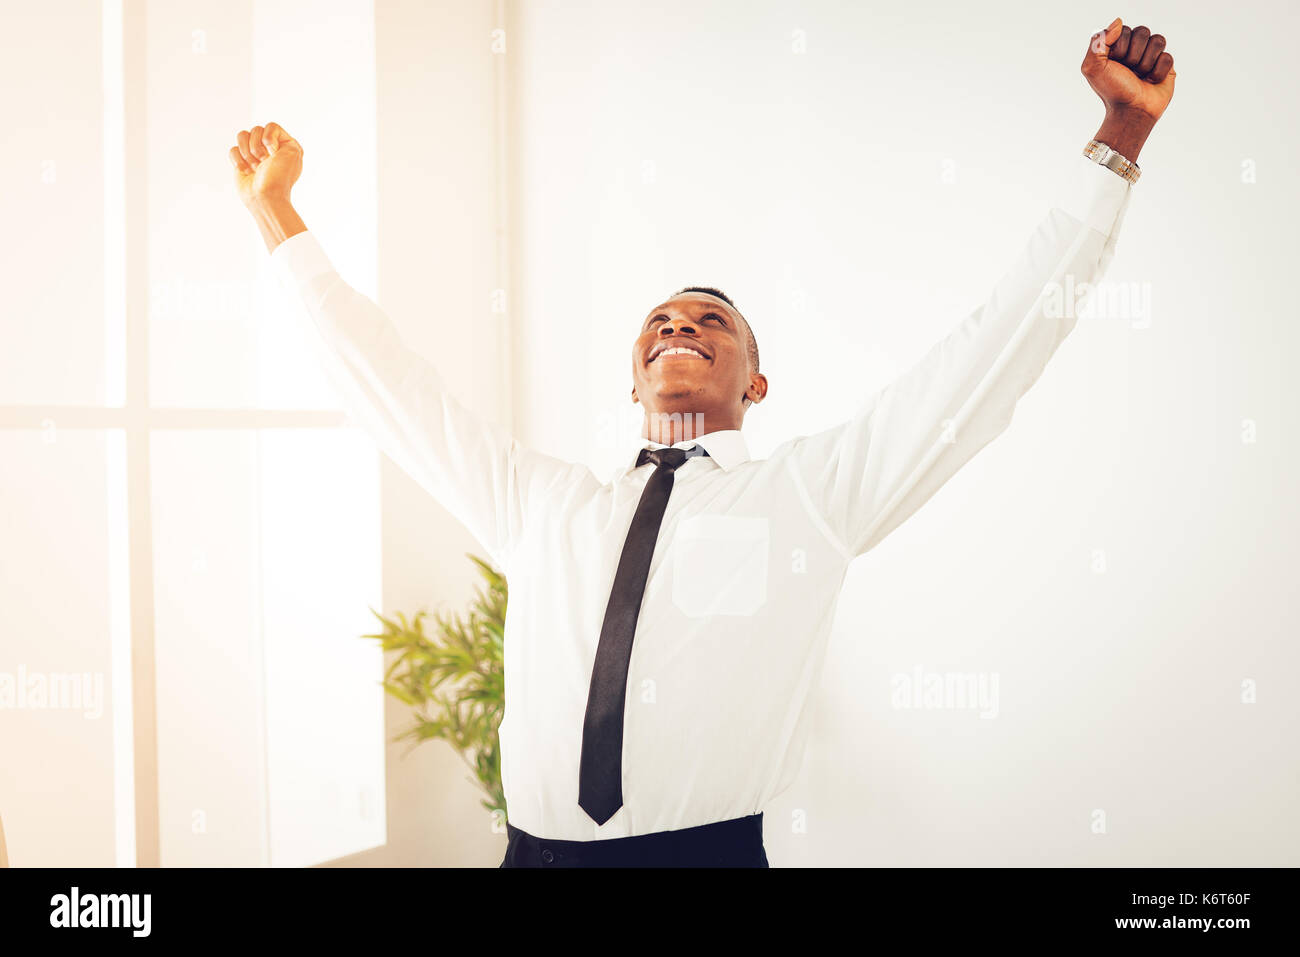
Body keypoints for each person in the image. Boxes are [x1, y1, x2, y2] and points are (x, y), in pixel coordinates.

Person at [228, 18, 1174, 867]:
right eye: (662, 319)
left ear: (755, 383)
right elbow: (392, 388)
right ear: (632, 375)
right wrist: (277, 215)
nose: (680, 325)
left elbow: (989, 357)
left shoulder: (814, 497)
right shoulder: (540, 504)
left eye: (711, 321)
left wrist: (1118, 139)